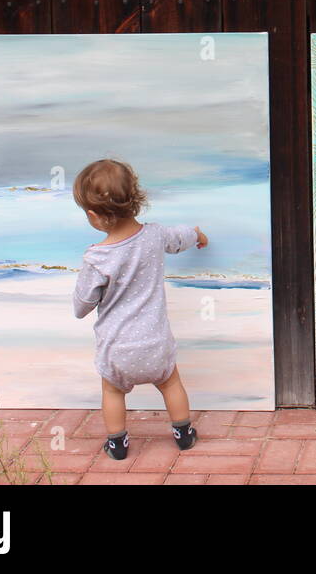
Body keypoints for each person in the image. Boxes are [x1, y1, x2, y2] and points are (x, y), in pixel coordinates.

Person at [71, 158, 208, 461]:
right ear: (135, 200)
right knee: (171, 383)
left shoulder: (98, 258)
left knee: (112, 392)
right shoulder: (155, 236)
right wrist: (198, 234)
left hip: (118, 349)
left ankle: (117, 444)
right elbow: (180, 237)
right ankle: (184, 434)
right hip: (156, 344)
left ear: (93, 216)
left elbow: (82, 306)